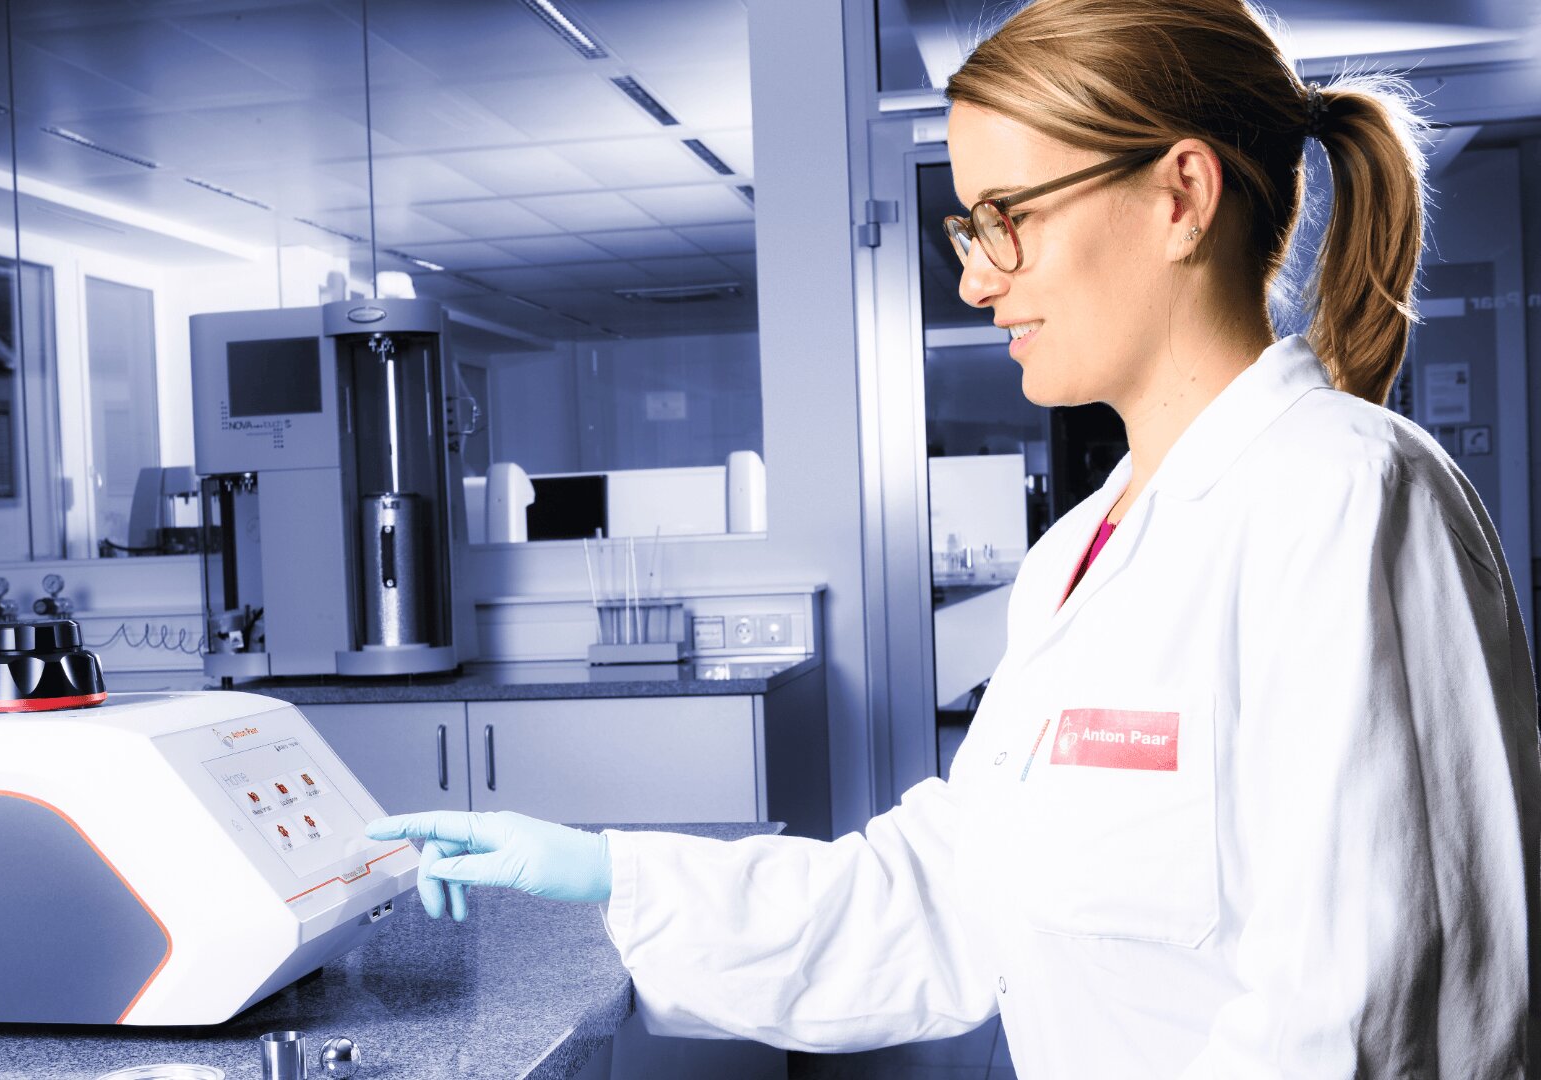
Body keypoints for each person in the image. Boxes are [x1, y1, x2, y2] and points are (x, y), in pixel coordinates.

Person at [366, 0, 1541, 1073]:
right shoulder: (1080, 551)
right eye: (969, 227)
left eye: (1007, 219)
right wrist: (606, 875)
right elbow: (941, 899)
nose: (977, 281)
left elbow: (1365, 1024)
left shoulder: (1342, 498)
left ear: (1179, 196)